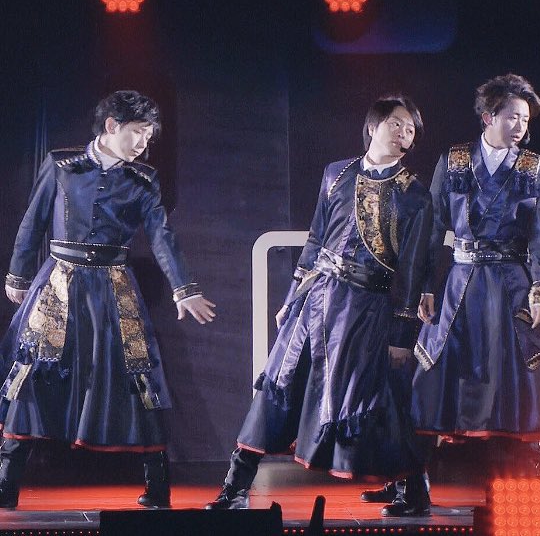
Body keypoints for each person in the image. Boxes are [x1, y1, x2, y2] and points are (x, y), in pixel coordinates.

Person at [205, 95, 433, 514]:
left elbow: (413, 268)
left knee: (378, 398)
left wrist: (402, 334)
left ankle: (413, 491)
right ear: (373, 126)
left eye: (411, 130)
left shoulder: (415, 195)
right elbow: (315, 238)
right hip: (317, 301)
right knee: (278, 387)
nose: (404, 134)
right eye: (397, 124)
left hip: (366, 310)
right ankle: (235, 486)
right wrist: (292, 297)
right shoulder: (336, 172)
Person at [0, 90, 216, 509]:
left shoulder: (143, 180)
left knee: (138, 375)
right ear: (112, 125)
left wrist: (184, 288)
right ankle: (6, 484)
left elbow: (162, 236)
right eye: (138, 133)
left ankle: (158, 487)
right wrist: (18, 274)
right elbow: (33, 221)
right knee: (34, 372)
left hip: (113, 289)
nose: (143, 144)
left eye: (149, 136)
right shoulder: (61, 165)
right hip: (58, 285)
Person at [394, 73, 540, 518]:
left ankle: (512, 492)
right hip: (460, 283)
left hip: (511, 287)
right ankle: (414, 486)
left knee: (517, 386)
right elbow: (433, 226)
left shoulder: (534, 168)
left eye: (525, 119)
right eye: (512, 117)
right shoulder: (454, 160)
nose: (520, 126)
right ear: (489, 117)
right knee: (428, 382)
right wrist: (426, 287)